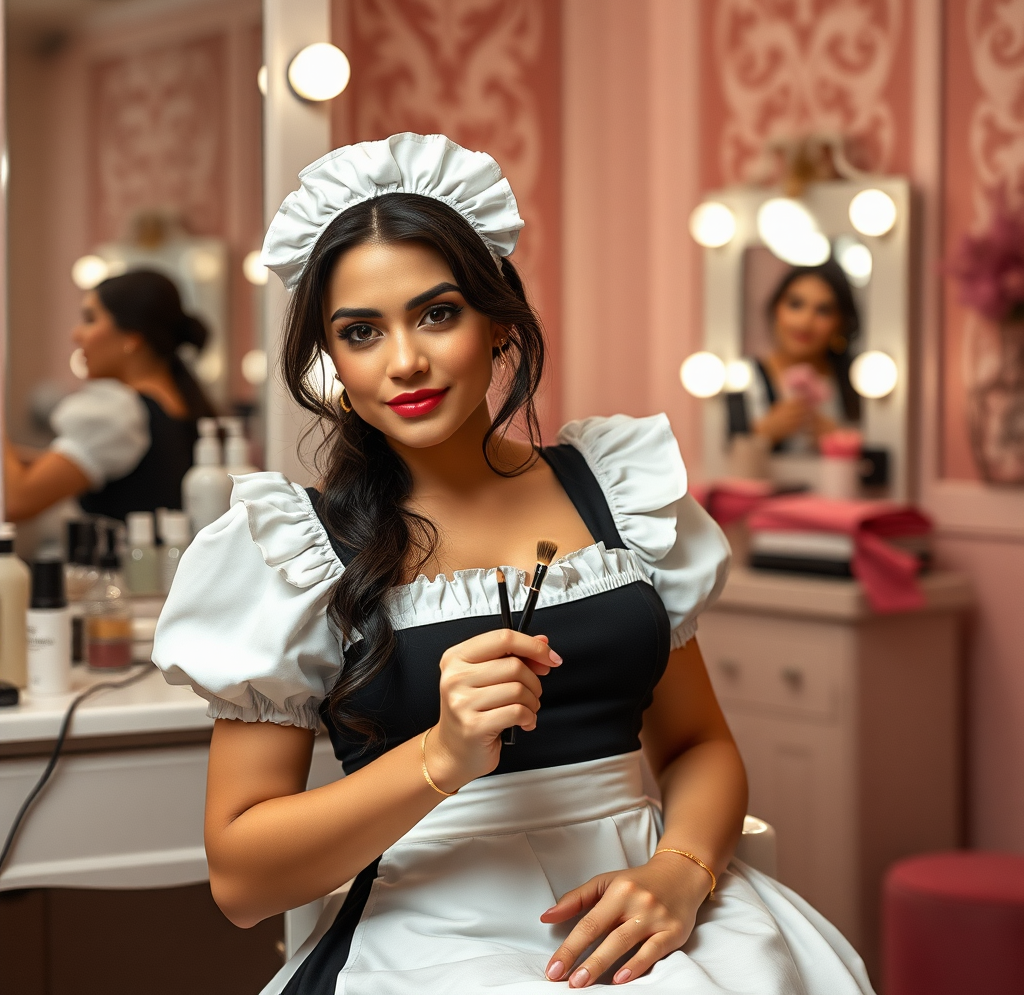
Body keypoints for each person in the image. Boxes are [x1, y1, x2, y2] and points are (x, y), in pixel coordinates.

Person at [152, 133, 873, 994]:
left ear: (498, 322)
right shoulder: (295, 557)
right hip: (432, 936)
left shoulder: (619, 493)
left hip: (652, 906)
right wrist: (440, 757)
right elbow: (241, 881)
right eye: (361, 331)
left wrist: (681, 873)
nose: (405, 360)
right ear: (332, 362)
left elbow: (697, 746)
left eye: (437, 313)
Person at [4, 269, 216, 521]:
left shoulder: (119, 412)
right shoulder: (182, 406)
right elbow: (63, 465)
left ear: (131, 338)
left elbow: (13, 502)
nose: (76, 335)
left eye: (90, 319)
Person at [729, 262, 861, 451]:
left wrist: (840, 440)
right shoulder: (743, 378)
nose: (805, 322)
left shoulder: (855, 383)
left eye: (823, 310)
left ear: (840, 323)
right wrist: (761, 433)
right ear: (776, 309)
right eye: (795, 304)